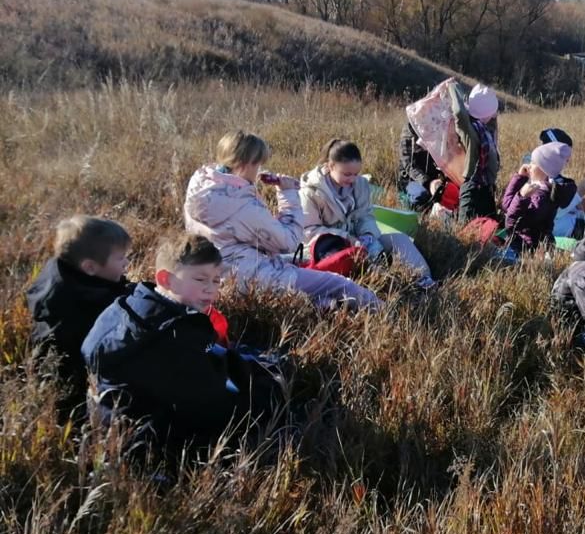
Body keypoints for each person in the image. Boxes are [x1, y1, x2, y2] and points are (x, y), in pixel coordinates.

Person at [81, 235, 281, 452]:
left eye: (216, 280)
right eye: (200, 279)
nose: (211, 289)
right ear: (166, 279)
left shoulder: (128, 304)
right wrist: (271, 389)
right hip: (152, 448)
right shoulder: (174, 335)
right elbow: (215, 404)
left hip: (111, 424)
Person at [184, 130, 380, 310]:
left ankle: (325, 307)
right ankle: (384, 309)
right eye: (258, 164)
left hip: (219, 274)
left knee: (317, 293)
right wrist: (287, 194)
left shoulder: (202, 186)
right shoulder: (241, 204)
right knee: (338, 283)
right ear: (245, 164)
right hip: (249, 276)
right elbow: (289, 241)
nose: (259, 169)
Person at [25, 215, 133, 422]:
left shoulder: (65, 273)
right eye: (120, 258)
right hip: (75, 389)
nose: (126, 262)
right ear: (90, 267)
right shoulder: (89, 305)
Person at [300, 139, 432, 283]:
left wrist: (367, 234)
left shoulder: (360, 184)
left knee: (400, 240)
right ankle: (386, 283)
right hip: (328, 248)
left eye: (356, 174)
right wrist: (347, 238)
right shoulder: (310, 192)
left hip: (359, 241)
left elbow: (366, 215)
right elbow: (309, 231)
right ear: (331, 166)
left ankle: (424, 280)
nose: (352, 179)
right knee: (359, 262)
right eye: (346, 174)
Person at [502, 141, 573, 252]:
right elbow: (507, 205)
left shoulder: (540, 197)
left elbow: (512, 224)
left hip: (526, 249)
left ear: (544, 169)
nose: (529, 165)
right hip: (525, 245)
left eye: (533, 162)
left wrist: (521, 197)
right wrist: (519, 178)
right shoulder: (538, 188)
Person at [531, 128, 585, 239]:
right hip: (553, 231)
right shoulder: (538, 180)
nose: (567, 160)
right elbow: (553, 214)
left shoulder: (547, 170)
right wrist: (579, 193)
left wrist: (578, 206)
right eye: (564, 156)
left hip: (563, 223)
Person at [449, 82, 500, 221]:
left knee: (492, 228)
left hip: (486, 187)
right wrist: (453, 87)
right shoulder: (469, 129)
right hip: (472, 186)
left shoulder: (486, 128)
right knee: (464, 229)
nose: (494, 115)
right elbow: (459, 112)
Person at [397, 120, 446, 213]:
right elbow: (408, 165)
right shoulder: (409, 131)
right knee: (422, 195)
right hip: (411, 179)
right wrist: (428, 183)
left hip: (433, 177)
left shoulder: (437, 125)